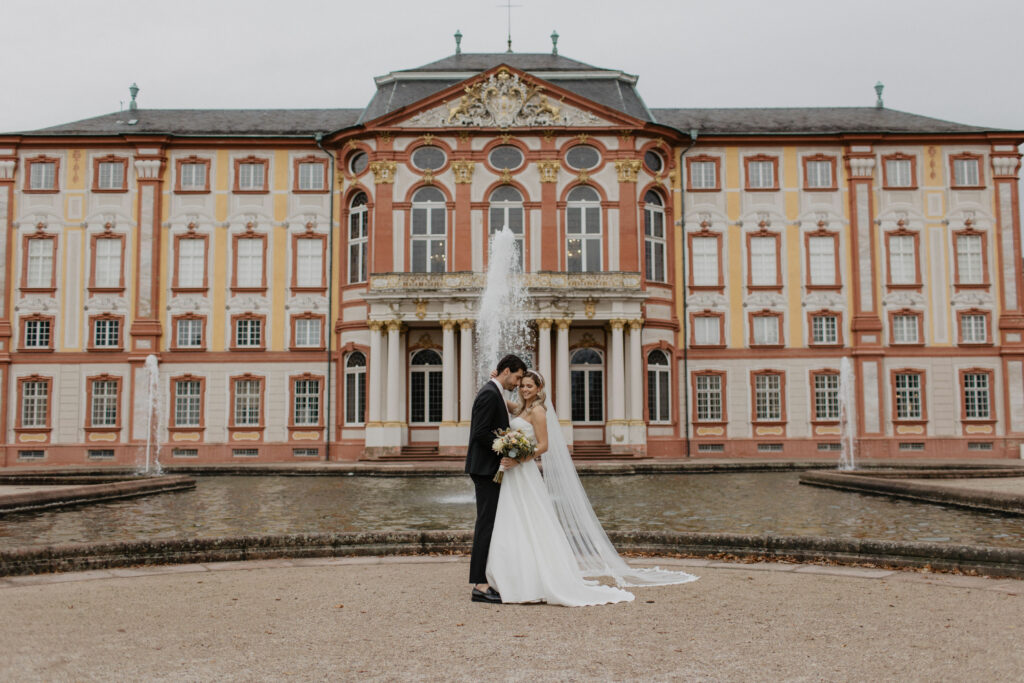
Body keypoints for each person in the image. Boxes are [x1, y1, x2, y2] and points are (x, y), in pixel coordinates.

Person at [484, 370, 637, 606]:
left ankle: (536, 579)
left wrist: (518, 459)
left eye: (529, 386)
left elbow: (544, 446)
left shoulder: (537, 411)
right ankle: (512, 575)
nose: (524, 389)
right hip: (513, 475)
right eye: (522, 386)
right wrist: (495, 378)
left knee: (533, 520)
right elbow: (498, 396)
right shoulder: (521, 409)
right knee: (513, 519)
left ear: (538, 389)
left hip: (524, 471)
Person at [465, 353, 526, 604]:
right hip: (484, 469)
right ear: (507, 371)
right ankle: (479, 585)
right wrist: (507, 446)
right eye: (518, 377)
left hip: (488, 468)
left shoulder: (494, 391)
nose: (518, 384)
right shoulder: (490, 393)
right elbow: (479, 433)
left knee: (492, 523)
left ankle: (489, 577)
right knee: (485, 524)